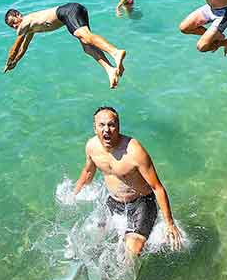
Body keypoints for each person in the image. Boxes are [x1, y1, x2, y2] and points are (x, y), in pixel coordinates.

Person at [71, 107, 183, 258]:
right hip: (113, 202)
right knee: (91, 240)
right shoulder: (92, 147)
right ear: (95, 127)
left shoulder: (134, 151)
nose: (106, 130)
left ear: (118, 126)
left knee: (131, 251)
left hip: (141, 203)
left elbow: (157, 187)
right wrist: (74, 194)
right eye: (101, 125)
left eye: (111, 125)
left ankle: (126, 274)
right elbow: (88, 172)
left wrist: (169, 223)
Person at [2, 3, 127, 88]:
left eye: (13, 22)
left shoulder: (24, 23)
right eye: (11, 26)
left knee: (84, 35)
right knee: (87, 46)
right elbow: (24, 48)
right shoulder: (29, 27)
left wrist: (9, 62)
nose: (14, 26)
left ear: (19, 15)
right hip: (74, 10)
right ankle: (110, 69)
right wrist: (16, 62)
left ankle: (115, 52)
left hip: (67, 12)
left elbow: (15, 48)